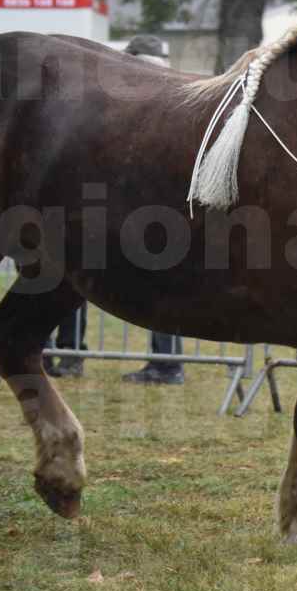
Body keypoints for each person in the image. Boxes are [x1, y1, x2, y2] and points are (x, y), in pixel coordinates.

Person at [116, 34, 187, 385]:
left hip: (158, 208)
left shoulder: (145, 96)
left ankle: (166, 364)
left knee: (163, 286)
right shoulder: (178, 91)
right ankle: (165, 361)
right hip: (169, 207)